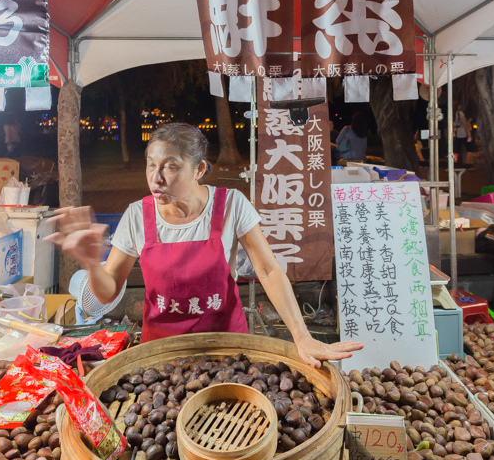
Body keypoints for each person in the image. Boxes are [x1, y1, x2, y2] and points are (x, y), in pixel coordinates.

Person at [47, 123, 362, 368]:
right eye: (151, 165)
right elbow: (108, 290)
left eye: (171, 166)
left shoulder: (231, 205)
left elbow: (267, 268)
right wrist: (91, 263)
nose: (156, 177)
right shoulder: (137, 216)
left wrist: (302, 336)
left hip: (227, 349)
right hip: (162, 355)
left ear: (198, 170)